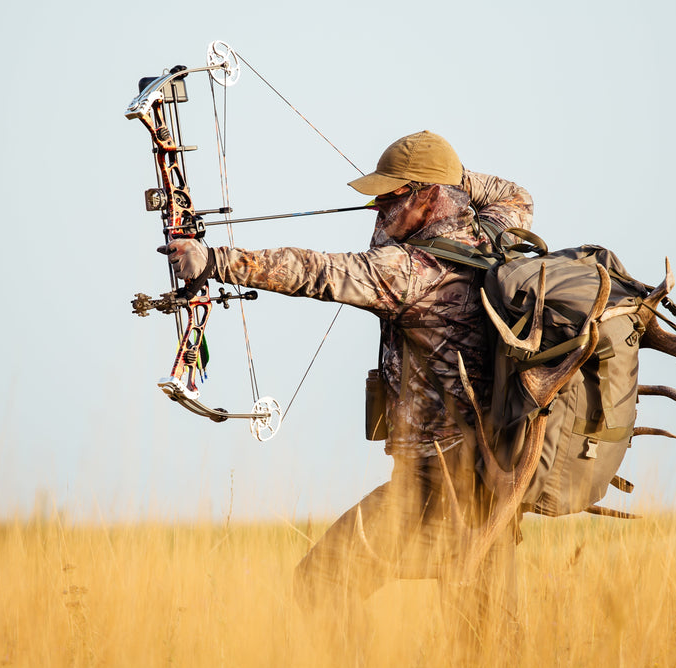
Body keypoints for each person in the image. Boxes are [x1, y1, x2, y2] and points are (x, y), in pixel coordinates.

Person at [163, 131, 534, 624]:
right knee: (487, 647)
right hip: (492, 483)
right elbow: (515, 194)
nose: (375, 207)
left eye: (389, 195)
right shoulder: (492, 231)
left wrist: (214, 261)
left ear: (427, 196)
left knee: (321, 584)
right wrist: (444, 178)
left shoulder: (411, 271)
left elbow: (315, 271)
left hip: (434, 485)